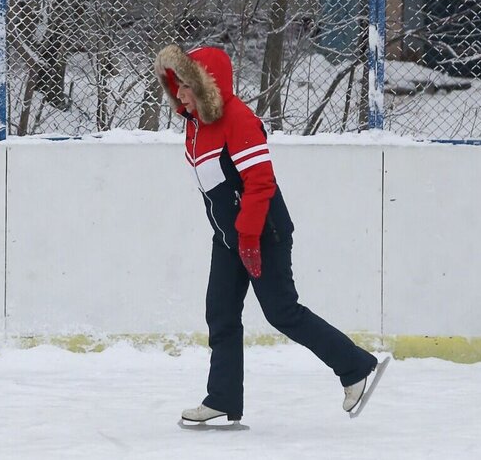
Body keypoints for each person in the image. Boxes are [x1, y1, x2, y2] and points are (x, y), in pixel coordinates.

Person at [154, 43, 382, 424]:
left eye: (186, 86)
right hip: (229, 238)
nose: (179, 94)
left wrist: (248, 239)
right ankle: (223, 398)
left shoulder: (238, 121)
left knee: (282, 312)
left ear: (206, 87)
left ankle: (355, 367)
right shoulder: (195, 125)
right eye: (175, 84)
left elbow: (260, 184)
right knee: (221, 314)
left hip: (263, 233)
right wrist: (233, 238)